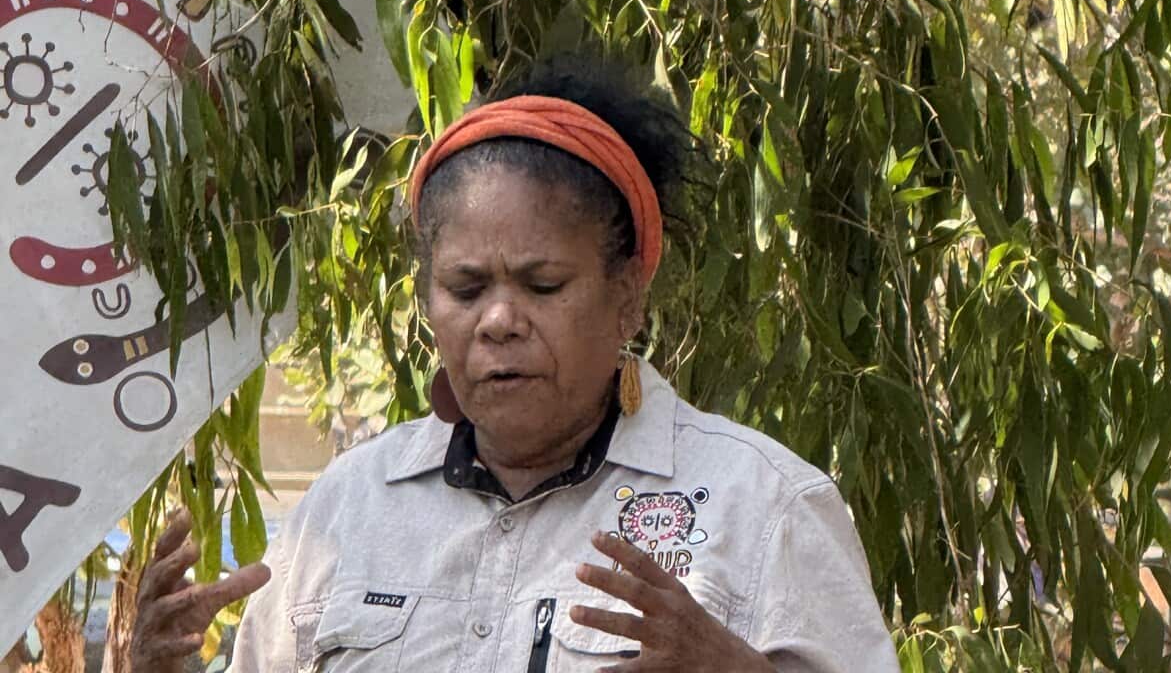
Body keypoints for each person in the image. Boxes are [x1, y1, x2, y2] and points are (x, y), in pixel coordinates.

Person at [129, 58, 900, 672]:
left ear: (627, 299)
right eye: (465, 288)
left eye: (543, 285)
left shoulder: (763, 507)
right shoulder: (345, 508)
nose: (498, 322)